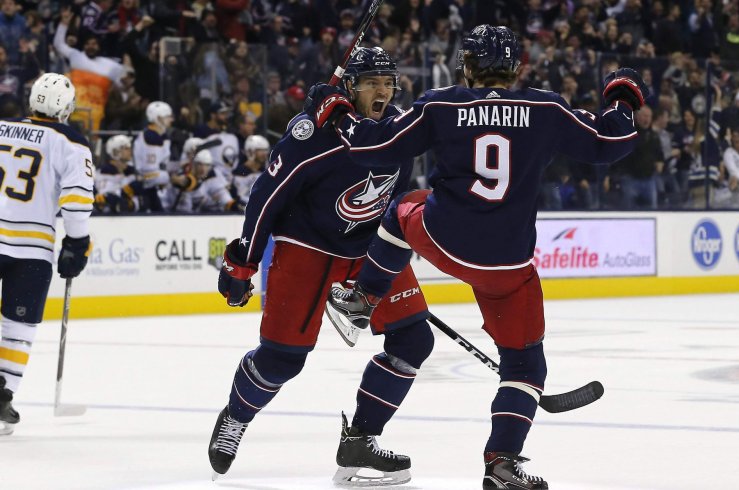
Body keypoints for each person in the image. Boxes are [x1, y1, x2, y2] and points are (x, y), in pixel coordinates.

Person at [312, 25, 646, 489]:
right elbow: (614, 142)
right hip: (507, 264)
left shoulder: (442, 103)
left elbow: (373, 148)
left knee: (403, 206)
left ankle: (362, 299)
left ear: (465, 65)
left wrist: (338, 112)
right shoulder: (546, 107)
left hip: (444, 238)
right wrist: (623, 94)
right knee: (526, 367)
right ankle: (503, 461)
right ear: (516, 67)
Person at [208, 47, 433, 487]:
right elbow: (265, 198)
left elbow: (394, 198)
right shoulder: (313, 135)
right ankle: (236, 417)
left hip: (367, 250)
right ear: (350, 86)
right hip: (307, 250)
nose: (383, 91)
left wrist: (393, 251)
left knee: (413, 340)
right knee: (281, 361)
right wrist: (243, 262)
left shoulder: (398, 132)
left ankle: (361, 439)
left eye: (388, 83)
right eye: (372, 82)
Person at [0, 73, 95, 435]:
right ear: (65, 108)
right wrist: (76, 242)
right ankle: (2, 398)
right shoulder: (70, 142)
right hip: (32, 248)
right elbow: (76, 200)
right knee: (18, 327)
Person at [132, 101, 174, 212]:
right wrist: (172, 178)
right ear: (158, 118)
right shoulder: (151, 137)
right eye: (168, 116)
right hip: (145, 191)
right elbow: (148, 175)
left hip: (156, 187)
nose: (171, 120)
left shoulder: (162, 136)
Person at [95, 134, 141, 214]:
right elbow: (106, 202)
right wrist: (122, 194)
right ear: (116, 152)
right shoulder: (104, 172)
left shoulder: (131, 172)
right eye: (126, 148)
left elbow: (136, 203)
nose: (130, 151)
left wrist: (131, 204)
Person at [231, 134, 268, 204]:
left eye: (265, 150)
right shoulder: (239, 172)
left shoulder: (265, 171)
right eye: (260, 150)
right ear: (250, 151)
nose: (264, 153)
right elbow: (240, 197)